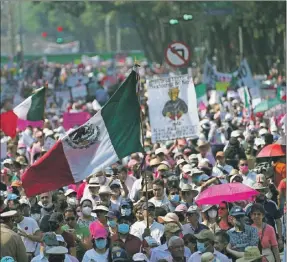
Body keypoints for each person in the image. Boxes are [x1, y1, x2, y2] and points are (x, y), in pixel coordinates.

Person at [245, 183, 283, 250]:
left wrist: (280, 239)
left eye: (262, 190)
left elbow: (278, 221)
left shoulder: (272, 204)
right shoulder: (249, 207)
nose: (261, 193)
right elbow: (246, 225)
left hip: (271, 239)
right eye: (258, 191)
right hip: (255, 241)